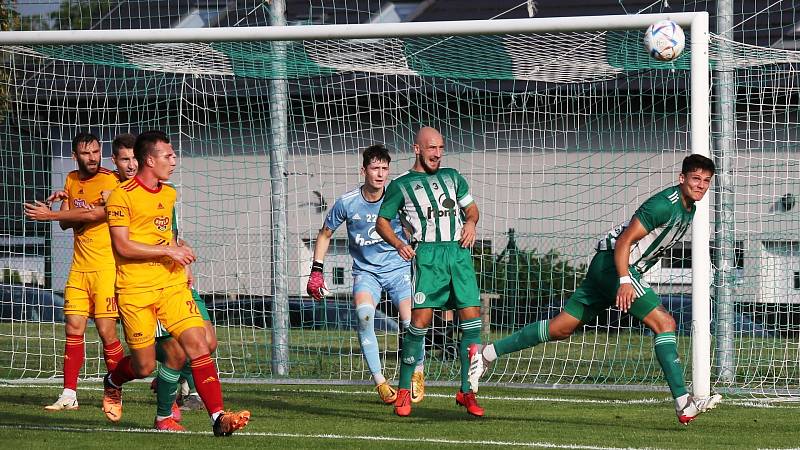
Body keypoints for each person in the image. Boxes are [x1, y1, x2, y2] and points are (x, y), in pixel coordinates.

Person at [469, 154, 722, 425]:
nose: (701, 186)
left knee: (560, 328)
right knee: (665, 323)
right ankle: (684, 403)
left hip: (608, 267)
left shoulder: (689, 209)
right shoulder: (662, 205)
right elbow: (625, 240)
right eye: (695, 179)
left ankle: (485, 354)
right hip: (616, 267)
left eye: (706, 181)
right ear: (682, 178)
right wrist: (625, 281)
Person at [102, 130, 249, 436]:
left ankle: (218, 418)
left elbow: (165, 235)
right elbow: (123, 246)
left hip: (170, 285)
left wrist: (178, 249)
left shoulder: (168, 194)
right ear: (149, 159)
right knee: (143, 367)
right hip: (135, 291)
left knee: (199, 344)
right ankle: (113, 382)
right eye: (168, 155)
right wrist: (169, 249)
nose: (174, 160)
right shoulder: (122, 195)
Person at [376, 126, 484, 417]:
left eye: (440, 148)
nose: (437, 154)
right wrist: (399, 243)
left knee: (472, 320)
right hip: (428, 257)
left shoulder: (453, 177)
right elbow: (382, 222)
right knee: (420, 321)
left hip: (458, 254)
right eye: (431, 148)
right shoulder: (401, 185)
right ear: (417, 149)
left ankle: (467, 391)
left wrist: (471, 224)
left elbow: (471, 210)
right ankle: (403, 391)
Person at [307, 144, 425, 404]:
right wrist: (316, 270)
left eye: (385, 168)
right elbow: (325, 234)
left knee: (411, 321)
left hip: (398, 271)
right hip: (366, 273)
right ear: (364, 170)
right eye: (375, 168)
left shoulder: (397, 199)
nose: (380, 174)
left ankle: (418, 372)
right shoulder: (348, 202)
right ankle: (380, 382)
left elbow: (416, 228)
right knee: (364, 315)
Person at [24, 132, 126, 411]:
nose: (92, 158)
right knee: (73, 329)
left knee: (107, 333)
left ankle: (114, 390)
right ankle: (69, 394)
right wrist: (61, 204)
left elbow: (94, 215)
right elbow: (67, 225)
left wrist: (51, 214)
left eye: (95, 152)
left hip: (105, 269)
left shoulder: (111, 181)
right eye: (85, 153)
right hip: (79, 268)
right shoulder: (70, 179)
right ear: (75, 156)